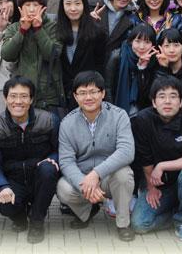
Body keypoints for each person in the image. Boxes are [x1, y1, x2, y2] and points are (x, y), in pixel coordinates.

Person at [57, 70, 135, 241]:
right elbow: (66, 161)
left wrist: (96, 174)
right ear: (75, 96)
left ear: (103, 93)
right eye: (82, 93)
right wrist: (85, 184)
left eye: (93, 92)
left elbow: (127, 151)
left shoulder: (119, 115)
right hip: (83, 178)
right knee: (63, 188)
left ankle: (123, 223)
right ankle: (86, 212)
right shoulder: (67, 123)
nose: (88, 97)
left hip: (109, 176)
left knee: (124, 175)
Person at [130, 75, 182, 240]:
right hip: (160, 185)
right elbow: (144, 157)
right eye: (162, 96)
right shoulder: (143, 120)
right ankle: (179, 214)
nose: (167, 101)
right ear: (154, 102)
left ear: (181, 102)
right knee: (139, 224)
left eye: (173, 96)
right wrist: (151, 187)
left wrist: (162, 166)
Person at [0, 76, 60, 243]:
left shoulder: (49, 120)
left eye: (24, 96)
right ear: (5, 99)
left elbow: (60, 149)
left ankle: (37, 222)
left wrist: (53, 159)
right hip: (14, 179)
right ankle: (19, 218)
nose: (18, 101)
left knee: (49, 169)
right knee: (3, 203)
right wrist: (2, 186)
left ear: (31, 99)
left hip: (39, 176)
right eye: (13, 96)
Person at [0, 0, 64, 114]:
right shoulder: (14, 28)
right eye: (27, 5)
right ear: (20, 8)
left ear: (43, 8)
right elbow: (7, 54)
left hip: (48, 95)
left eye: (35, 5)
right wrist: (22, 31)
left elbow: (53, 55)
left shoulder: (53, 27)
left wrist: (38, 29)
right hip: (22, 93)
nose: (31, 9)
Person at [56, 0, 107, 110]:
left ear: (84, 4)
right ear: (62, 6)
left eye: (77, 3)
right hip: (61, 95)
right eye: (68, 4)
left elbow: (100, 67)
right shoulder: (55, 30)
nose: (73, 8)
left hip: (88, 95)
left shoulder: (97, 32)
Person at [107, 24, 159, 116]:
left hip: (143, 112)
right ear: (131, 41)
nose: (142, 47)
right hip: (117, 111)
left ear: (153, 45)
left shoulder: (154, 60)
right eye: (137, 41)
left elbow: (149, 94)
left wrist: (142, 68)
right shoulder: (117, 56)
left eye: (147, 42)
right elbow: (108, 88)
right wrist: (112, 112)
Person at [89, 0, 139, 64]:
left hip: (113, 67)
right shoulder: (91, 4)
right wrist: (87, 21)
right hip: (88, 62)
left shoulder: (134, 16)